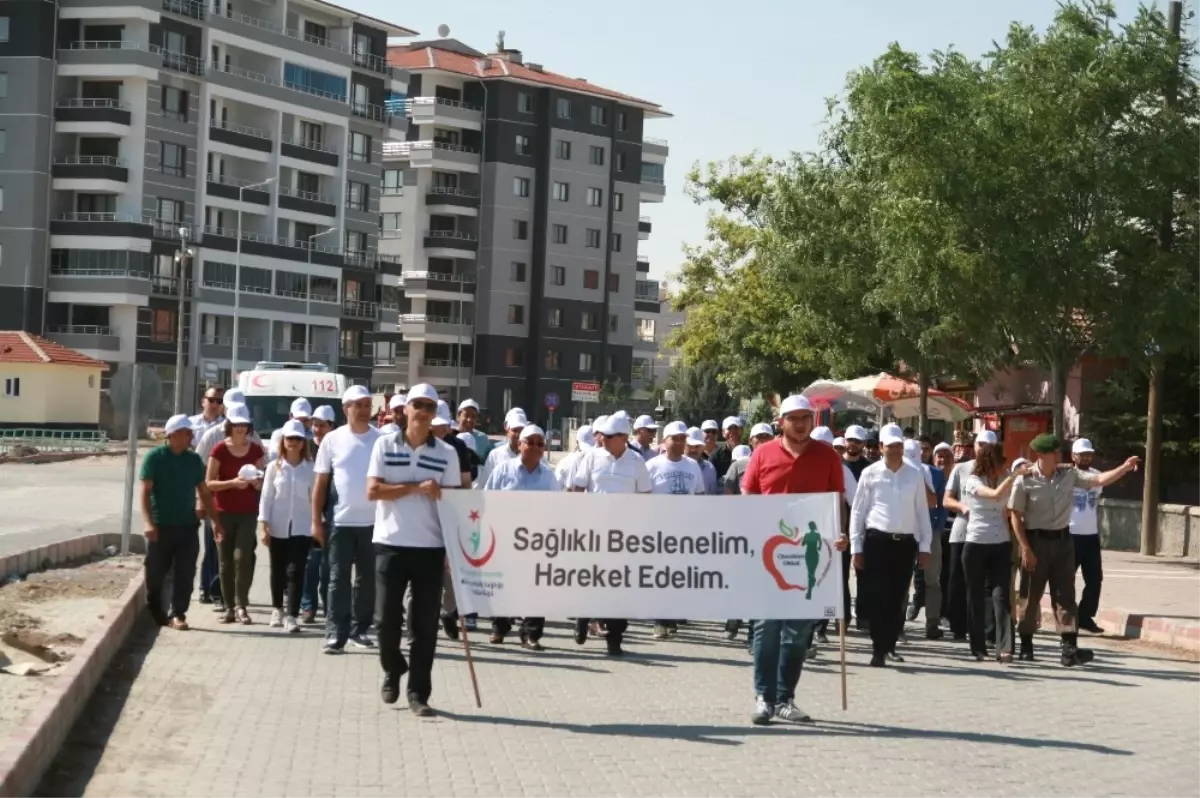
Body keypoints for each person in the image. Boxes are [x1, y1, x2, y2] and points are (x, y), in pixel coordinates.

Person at [742, 395, 845, 724]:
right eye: (794, 418)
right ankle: (764, 697)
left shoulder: (827, 456)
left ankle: (785, 698)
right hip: (770, 554)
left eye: (806, 417)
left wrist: (840, 534)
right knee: (766, 627)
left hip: (811, 556)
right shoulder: (762, 454)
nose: (800, 423)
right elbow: (749, 497)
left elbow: (836, 501)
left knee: (799, 632)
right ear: (781, 421)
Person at [367, 384, 463, 715]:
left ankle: (419, 693)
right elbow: (373, 491)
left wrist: (453, 550)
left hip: (430, 546)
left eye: (430, 407)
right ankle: (393, 668)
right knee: (384, 620)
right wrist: (414, 488)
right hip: (390, 543)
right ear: (406, 409)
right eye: (418, 405)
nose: (423, 411)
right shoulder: (383, 444)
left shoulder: (447, 454)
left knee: (424, 626)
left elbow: (452, 504)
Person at [1008, 433, 1139, 665]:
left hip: (1063, 542)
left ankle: (1069, 649)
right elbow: (1015, 517)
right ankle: (1026, 645)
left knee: (1065, 595)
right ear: (1041, 455)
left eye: (1059, 451)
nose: (1059, 456)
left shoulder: (1069, 475)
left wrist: (1124, 468)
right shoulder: (1024, 480)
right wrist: (1025, 549)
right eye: (1054, 452)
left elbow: (1098, 481)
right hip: (1035, 543)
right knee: (1030, 595)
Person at [850, 423, 932, 668]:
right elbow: (858, 512)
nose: (894, 450)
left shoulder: (914, 474)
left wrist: (925, 545)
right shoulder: (870, 473)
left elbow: (921, 512)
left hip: (904, 544)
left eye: (898, 446)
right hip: (877, 541)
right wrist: (856, 546)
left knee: (898, 598)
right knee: (878, 596)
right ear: (881, 447)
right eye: (890, 446)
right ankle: (878, 648)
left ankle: (891, 645)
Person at [569, 414, 652, 655]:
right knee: (591, 581)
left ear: (623, 438)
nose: (602, 439)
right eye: (602, 435)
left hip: (624, 537)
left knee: (619, 587)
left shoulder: (637, 462)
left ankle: (614, 639)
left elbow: (645, 498)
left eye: (608, 436)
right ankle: (583, 617)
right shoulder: (591, 457)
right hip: (593, 532)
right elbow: (577, 488)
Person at [312, 385, 380, 654]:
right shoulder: (332, 440)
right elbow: (321, 482)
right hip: (340, 522)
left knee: (367, 580)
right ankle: (335, 634)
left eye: (367, 405)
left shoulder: (382, 438)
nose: (364, 410)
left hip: (374, 524)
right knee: (337, 579)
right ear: (345, 409)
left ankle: (359, 630)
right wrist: (316, 520)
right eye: (358, 405)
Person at [482, 424, 559, 649]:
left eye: (540, 443)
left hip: (537, 541)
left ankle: (531, 634)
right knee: (504, 585)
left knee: (536, 587)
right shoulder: (503, 471)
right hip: (505, 538)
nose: (535, 447)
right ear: (520, 444)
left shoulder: (549, 477)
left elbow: (557, 508)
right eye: (530, 442)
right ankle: (500, 627)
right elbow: (487, 499)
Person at [140, 414, 219, 630]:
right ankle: (155, 609)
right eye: (188, 432)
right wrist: (148, 522)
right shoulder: (155, 458)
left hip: (187, 526)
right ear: (174, 435)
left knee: (185, 572)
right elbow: (145, 492)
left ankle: (178, 613)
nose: (192, 436)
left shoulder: (193, 460)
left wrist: (216, 521)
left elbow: (203, 491)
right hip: (160, 526)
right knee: (156, 573)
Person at [961, 446, 1029, 662]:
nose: (1003, 467)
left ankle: (1005, 648)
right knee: (976, 597)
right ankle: (978, 646)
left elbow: (1014, 496)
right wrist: (1015, 476)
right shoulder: (973, 481)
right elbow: (995, 495)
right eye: (999, 463)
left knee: (1002, 596)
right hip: (975, 543)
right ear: (988, 463)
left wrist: (1027, 472)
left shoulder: (1005, 476)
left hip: (1001, 544)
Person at [205, 404, 265, 625]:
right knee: (225, 561)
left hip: (248, 512)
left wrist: (256, 483)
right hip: (223, 512)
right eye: (236, 425)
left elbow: (262, 480)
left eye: (244, 425)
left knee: (243, 558)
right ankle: (229, 607)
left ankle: (242, 605)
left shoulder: (255, 449)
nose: (240, 429)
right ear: (229, 426)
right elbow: (209, 482)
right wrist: (232, 483)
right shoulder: (219, 449)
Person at [645, 421, 706, 640]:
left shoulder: (692, 465)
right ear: (665, 441)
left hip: (685, 530)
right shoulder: (652, 466)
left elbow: (699, 495)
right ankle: (659, 622)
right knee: (662, 576)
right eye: (675, 438)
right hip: (660, 529)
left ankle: (671, 618)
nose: (680, 442)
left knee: (678, 577)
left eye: (683, 438)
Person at [258, 420, 315, 633]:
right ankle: (277, 609)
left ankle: (292, 614)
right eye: (290, 438)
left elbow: (315, 497)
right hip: (278, 525)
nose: (293, 442)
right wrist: (264, 526)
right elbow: (266, 497)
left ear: (303, 443)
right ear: (284, 441)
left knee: (296, 571)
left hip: (302, 527)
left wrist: (317, 523)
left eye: (298, 439)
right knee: (278, 570)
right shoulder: (274, 467)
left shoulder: (310, 468)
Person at [943, 431, 995, 641]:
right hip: (963, 530)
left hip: (990, 533)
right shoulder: (961, 468)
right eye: (981, 444)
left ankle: (987, 630)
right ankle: (957, 626)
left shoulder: (1001, 470)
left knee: (987, 584)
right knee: (957, 579)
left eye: (990, 444)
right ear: (974, 445)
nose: (984, 448)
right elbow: (947, 500)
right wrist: (962, 506)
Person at [810, 426, 858, 646]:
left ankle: (824, 626)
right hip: (808, 533)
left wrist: (844, 531)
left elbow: (852, 503)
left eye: (826, 446)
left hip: (834, 534)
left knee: (833, 580)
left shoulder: (842, 469)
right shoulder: (802, 466)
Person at [300, 405, 336, 624]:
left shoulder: (336, 448)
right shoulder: (306, 449)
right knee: (310, 564)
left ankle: (330, 606)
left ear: (331, 426)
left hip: (333, 514)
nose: (317, 429)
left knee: (329, 567)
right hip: (310, 515)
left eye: (322, 425)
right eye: (315, 425)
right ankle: (308, 606)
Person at [189, 387, 224, 607]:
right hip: (191, 489)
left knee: (213, 543)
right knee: (195, 544)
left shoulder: (224, 428)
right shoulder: (191, 425)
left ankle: (210, 588)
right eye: (211, 399)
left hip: (211, 491)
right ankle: (203, 586)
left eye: (218, 401)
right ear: (203, 401)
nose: (214, 404)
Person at [1069, 439, 1105, 634]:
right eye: (1081, 454)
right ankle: (1068, 616)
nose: (1085, 457)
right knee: (1067, 579)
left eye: (1088, 454)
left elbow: (1096, 502)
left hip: (1091, 535)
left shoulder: (1098, 476)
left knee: (1094, 579)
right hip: (1070, 534)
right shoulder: (1067, 475)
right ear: (1073, 456)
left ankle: (1085, 616)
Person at [842, 425, 873, 631]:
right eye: (850, 440)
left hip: (864, 527)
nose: (853, 444)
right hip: (841, 526)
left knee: (864, 573)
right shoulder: (836, 464)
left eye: (858, 441)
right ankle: (843, 615)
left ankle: (863, 615)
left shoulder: (868, 468)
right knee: (841, 572)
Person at [476, 409, 526, 487]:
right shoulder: (495, 455)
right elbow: (485, 484)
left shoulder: (535, 455)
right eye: (515, 430)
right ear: (507, 430)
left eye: (521, 431)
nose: (518, 434)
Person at [685, 428, 719, 495]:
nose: (693, 449)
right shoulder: (674, 465)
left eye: (697, 446)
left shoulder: (710, 468)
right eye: (690, 445)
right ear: (683, 445)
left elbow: (712, 495)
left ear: (703, 447)